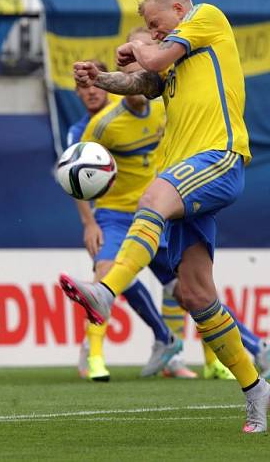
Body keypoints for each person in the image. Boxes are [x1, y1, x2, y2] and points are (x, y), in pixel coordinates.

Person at [62, 0, 270, 433]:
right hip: (185, 169)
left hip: (217, 156)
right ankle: (255, 387)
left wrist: (137, 45)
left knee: (153, 197)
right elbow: (144, 80)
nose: (154, 32)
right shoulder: (179, 57)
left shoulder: (208, 16)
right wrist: (100, 77)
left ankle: (106, 292)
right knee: (195, 294)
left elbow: (153, 57)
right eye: (150, 28)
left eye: (156, 24)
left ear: (179, 9)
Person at [66, 44, 184, 382]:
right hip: (114, 215)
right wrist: (89, 222)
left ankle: (214, 353)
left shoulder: (138, 105)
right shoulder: (85, 132)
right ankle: (96, 357)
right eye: (83, 87)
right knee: (107, 272)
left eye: (95, 84)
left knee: (190, 290)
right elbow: (73, 178)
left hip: (153, 212)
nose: (90, 92)